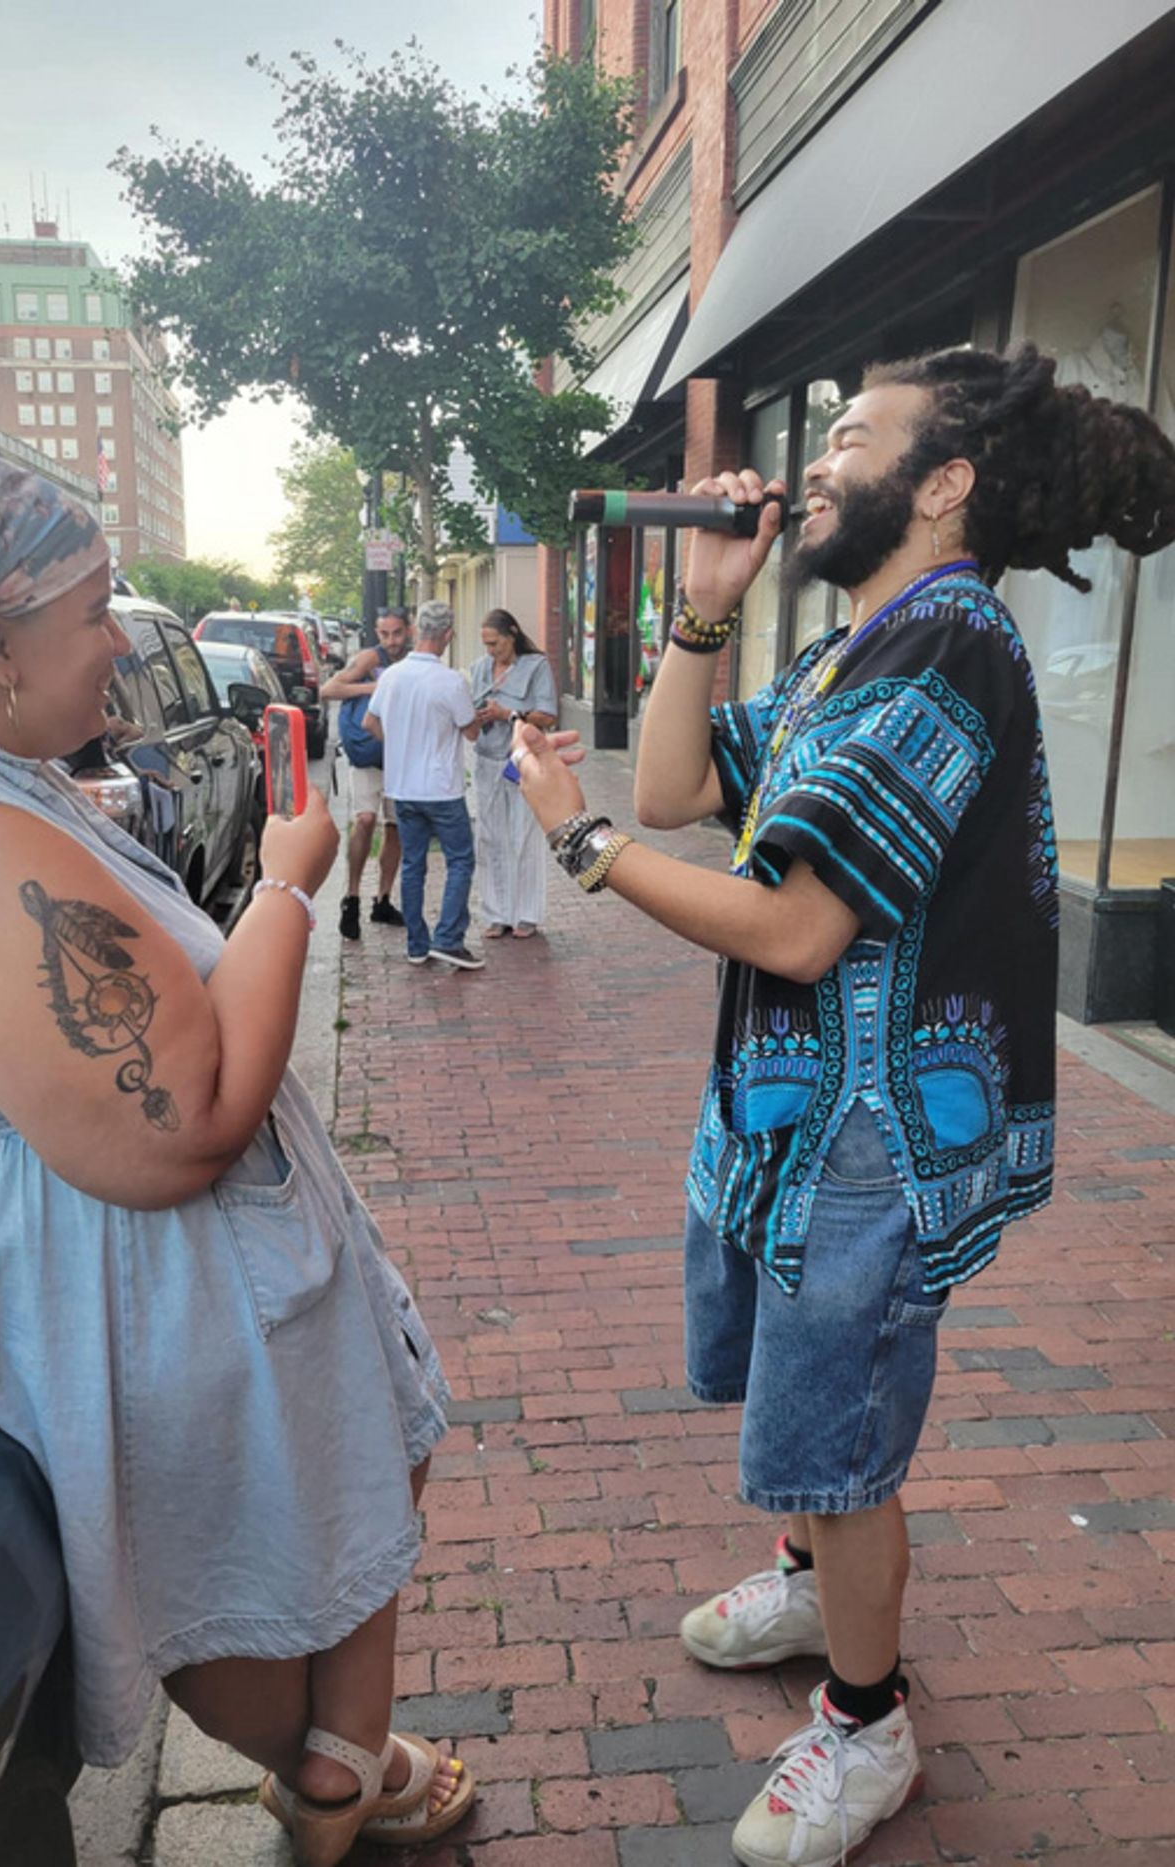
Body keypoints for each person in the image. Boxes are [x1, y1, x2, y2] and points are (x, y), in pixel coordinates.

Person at [511, 343, 1175, 1867]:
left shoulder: (951, 644)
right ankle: (811, 1577)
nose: (815, 461)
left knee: (842, 1430)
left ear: (944, 484)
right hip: (791, 1107)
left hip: (872, 1134)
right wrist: (708, 598)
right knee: (799, 1405)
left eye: (855, 436)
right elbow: (682, 781)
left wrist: (583, 847)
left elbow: (800, 928)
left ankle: (869, 1723)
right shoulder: (851, 647)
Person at [0, 423, 476, 1867]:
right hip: (150, 1289)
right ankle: (331, 1777)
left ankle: (344, 1769)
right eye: (94, 612)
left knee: (337, 1494)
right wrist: (286, 889)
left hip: (174, 1291)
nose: (117, 644)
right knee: (226, 1573)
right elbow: (187, 1128)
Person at [364, 600, 483, 970]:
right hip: (442, 787)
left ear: (416, 631)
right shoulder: (450, 681)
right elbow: (472, 733)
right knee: (460, 859)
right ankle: (448, 938)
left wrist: (399, 744)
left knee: (413, 863)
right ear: (447, 635)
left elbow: (370, 723)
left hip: (402, 787)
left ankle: (417, 944)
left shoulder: (392, 676)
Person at [320, 606, 411, 939]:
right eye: (384, 633)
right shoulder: (369, 660)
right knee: (365, 820)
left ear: (409, 630)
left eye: (397, 633)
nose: (391, 641)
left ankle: (383, 899)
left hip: (400, 757)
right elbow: (328, 689)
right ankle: (352, 897)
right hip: (367, 754)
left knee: (395, 827)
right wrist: (373, 688)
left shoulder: (415, 660)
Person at [468, 609, 558, 937]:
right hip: (488, 759)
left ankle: (526, 913)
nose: (492, 651)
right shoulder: (479, 669)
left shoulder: (536, 666)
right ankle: (496, 912)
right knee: (490, 836)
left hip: (522, 760)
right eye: (487, 645)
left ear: (513, 635)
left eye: (496, 644)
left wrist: (509, 714)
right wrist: (475, 718)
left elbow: (548, 715)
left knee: (524, 834)